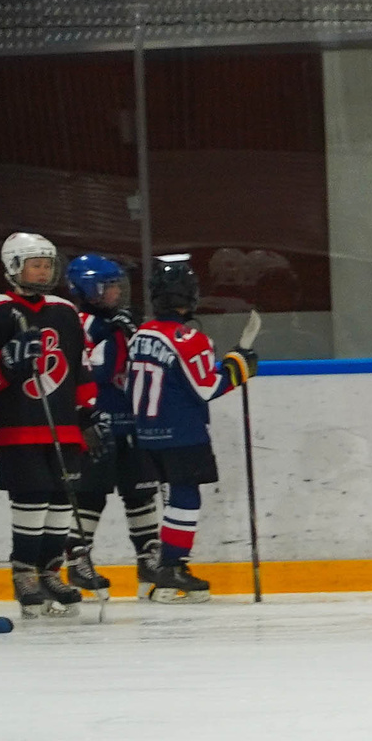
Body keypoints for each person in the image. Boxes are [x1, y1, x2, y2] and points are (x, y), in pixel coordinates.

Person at [0, 232, 102, 618]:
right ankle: (24, 573)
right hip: (19, 425)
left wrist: (89, 413)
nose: (44, 271)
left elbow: (79, 367)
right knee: (31, 500)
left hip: (62, 425)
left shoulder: (64, 311)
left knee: (63, 502)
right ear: (14, 267)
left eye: (48, 264)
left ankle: (50, 571)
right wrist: (7, 362)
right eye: (36, 264)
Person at [125, 257, 257, 603]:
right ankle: (172, 569)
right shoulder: (188, 337)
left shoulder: (141, 334)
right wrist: (240, 366)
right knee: (185, 497)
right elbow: (207, 387)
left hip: (146, 433)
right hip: (182, 432)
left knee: (169, 499)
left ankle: (161, 568)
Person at [66, 254, 162, 599]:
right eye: (108, 286)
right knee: (91, 492)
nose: (116, 291)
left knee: (141, 489)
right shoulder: (78, 322)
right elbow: (90, 367)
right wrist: (110, 328)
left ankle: (149, 558)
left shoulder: (126, 321)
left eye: (118, 285)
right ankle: (78, 560)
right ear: (88, 288)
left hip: (131, 419)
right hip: (97, 420)